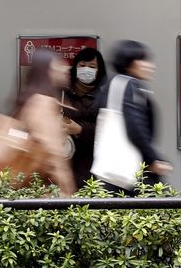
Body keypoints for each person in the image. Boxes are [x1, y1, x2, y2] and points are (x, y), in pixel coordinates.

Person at [99, 40, 172, 192]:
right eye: (142, 60)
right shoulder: (131, 85)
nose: (149, 66)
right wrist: (153, 158)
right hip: (134, 167)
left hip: (115, 168)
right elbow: (135, 125)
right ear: (128, 63)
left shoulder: (111, 84)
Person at [13, 48, 76, 196]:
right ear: (45, 71)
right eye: (58, 66)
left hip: (34, 189)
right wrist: (68, 190)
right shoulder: (43, 103)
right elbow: (53, 154)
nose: (65, 69)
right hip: (48, 192)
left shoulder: (31, 99)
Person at [61, 47, 107, 189]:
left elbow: (107, 132)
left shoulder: (104, 97)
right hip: (64, 161)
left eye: (92, 66)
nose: (86, 69)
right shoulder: (62, 93)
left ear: (99, 71)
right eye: (82, 65)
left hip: (92, 165)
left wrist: (80, 129)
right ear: (75, 67)